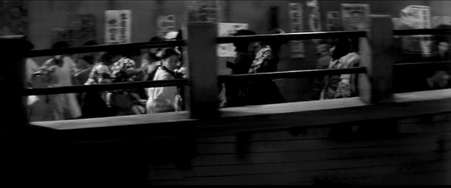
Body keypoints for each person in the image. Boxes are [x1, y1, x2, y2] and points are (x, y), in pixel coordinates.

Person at [39, 41, 82, 120]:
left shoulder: (68, 60)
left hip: (69, 93)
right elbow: (42, 77)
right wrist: (48, 71)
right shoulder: (48, 63)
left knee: (74, 115)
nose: (62, 55)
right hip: (56, 95)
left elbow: (75, 71)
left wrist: (76, 73)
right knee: (59, 117)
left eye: (63, 53)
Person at [245, 29, 286, 105]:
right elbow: (261, 68)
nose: (280, 46)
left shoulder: (266, 51)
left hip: (261, 83)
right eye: (279, 43)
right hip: (261, 84)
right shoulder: (268, 53)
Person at [146, 48, 183, 113]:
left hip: (152, 106)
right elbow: (166, 99)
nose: (173, 64)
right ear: (163, 61)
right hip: (160, 108)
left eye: (175, 61)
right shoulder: (167, 77)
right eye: (170, 61)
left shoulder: (160, 70)